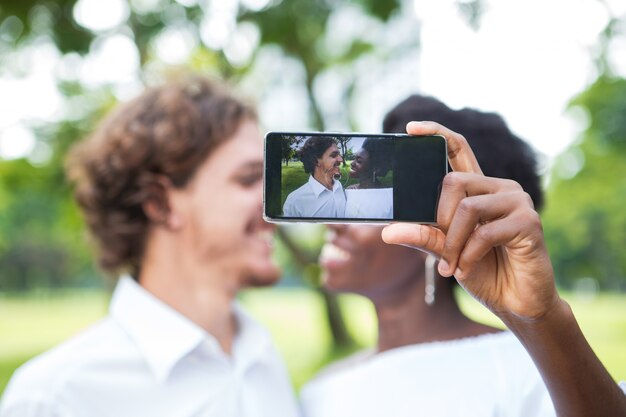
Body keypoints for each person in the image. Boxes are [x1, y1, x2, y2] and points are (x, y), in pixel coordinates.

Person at [301, 95, 626, 417]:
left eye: (373, 207)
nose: (334, 223)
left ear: (443, 228)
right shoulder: (320, 392)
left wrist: (543, 319)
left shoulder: (539, 372)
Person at [0, 77, 300, 417]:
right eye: (248, 179)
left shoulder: (262, 354)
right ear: (159, 203)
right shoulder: (56, 398)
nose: (278, 206)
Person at [282, 136, 346, 218]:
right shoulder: (295, 201)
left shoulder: (339, 186)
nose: (341, 159)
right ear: (316, 161)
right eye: (334, 155)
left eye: (339, 155)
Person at [344, 138, 393, 219]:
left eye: (359, 161)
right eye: (354, 158)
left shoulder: (389, 197)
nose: (352, 163)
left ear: (376, 168)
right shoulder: (349, 191)